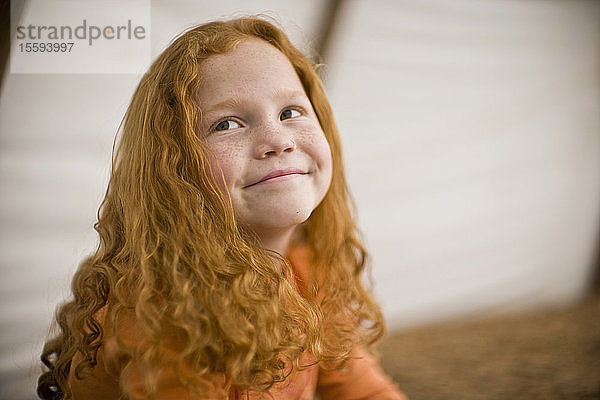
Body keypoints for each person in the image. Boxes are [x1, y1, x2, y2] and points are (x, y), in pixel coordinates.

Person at [37, 16, 408, 400]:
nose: (277, 140)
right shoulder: (163, 309)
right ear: (174, 170)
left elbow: (364, 392)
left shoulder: (308, 272)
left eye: (290, 113)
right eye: (228, 124)